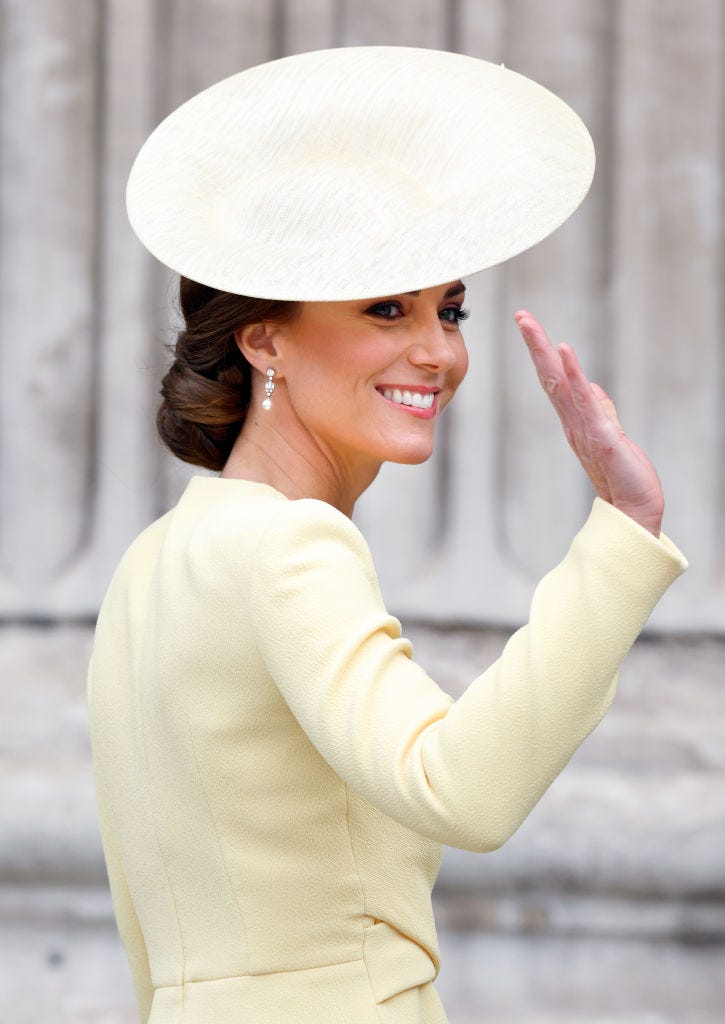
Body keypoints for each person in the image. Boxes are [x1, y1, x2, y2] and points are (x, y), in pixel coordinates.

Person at [86, 47, 687, 1024]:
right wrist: (623, 535)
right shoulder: (290, 547)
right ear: (263, 335)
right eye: (383, 307)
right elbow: (458, 788)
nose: (437, 351)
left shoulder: (150, 565)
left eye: (447, 308)